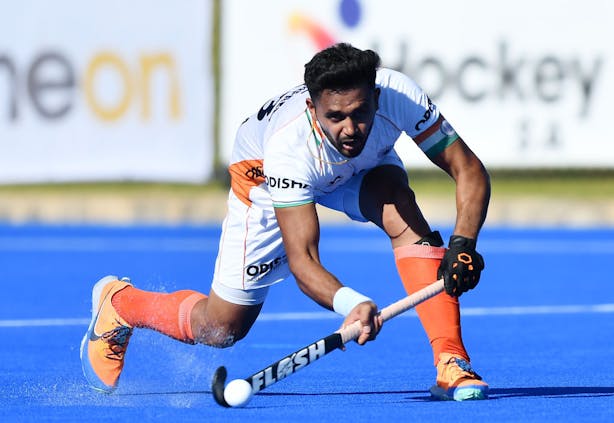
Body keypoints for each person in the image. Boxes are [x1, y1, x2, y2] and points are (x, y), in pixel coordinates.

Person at [80, 43, 491, 401]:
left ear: (377, 97)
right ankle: (120, 303)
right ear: (314, 109)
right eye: (336, 117)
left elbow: (469, 169)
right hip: (262, 175)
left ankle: (451, 361)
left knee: (397, 203)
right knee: (221, 328)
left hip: (363, 168)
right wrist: (351, 304)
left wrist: (462, 244)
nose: (351, 129)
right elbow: (303, 261)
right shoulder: (287, 148)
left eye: (361, 113)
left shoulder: (400, 95)